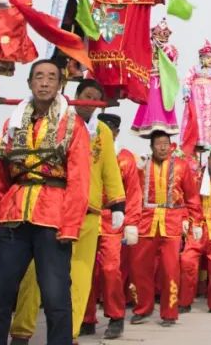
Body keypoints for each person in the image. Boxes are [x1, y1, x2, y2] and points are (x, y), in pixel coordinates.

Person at [0, 60, 91, 345]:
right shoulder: (13, 122)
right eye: (39, 76)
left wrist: (70, 226)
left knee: (56, 298)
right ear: (29, 83)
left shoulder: (73, 124)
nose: (44, 82)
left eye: (51, 77)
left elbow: (79, 178)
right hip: (13, 215)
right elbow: (1, 174)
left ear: (60, 84)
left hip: (53, 218)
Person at [10, 79, 125, 344]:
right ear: (76, 95)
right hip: (55, 210)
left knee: (80, 276)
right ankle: (21, 331)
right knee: (35, 272)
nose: (89, 102)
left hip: (90, 212)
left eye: (95, 98)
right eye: (86, 95)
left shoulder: (103, 132)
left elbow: (109, 167)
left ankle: (69, 334)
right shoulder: (59, 121)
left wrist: (117, 202)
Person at [130, 130, 202, 327]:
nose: (162, 147)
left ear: (171, 146)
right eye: (158, 143)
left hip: (171, 224)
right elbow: (133, 194)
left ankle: (170, 312)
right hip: (146, 223)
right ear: (151, 146)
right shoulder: (142, 165)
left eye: (166, 143)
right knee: (140, 268)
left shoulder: (181, 166)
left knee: (170, 270)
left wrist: (196, 221)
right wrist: (130, 222)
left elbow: (192, 196)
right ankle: (143, 308)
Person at [82, 112, 141, 340]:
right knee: (84, 269)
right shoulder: (86, 150)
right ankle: (85, 318)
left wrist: (131, 222)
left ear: (116, 133)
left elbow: (133, 193)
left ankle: (116, 317)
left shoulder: (125, 159)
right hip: (86, 216)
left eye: (110, 130)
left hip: (112, 219)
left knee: (110, 269)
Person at [179, 151, 211, 314]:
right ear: (208, 159)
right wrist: (184, 218)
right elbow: (184, 199)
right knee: (187, 261)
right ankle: (184, 301)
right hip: (197, 225)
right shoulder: (196, 177)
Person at [180, 41, 211, 154]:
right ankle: (196, 139)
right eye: (208, 58)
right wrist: (186, 94)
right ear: (201, 58)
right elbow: (187, 81)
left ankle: (207, 140)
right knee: (196, 118)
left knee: (208, 119)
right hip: (196, 98)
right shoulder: (194, 69)